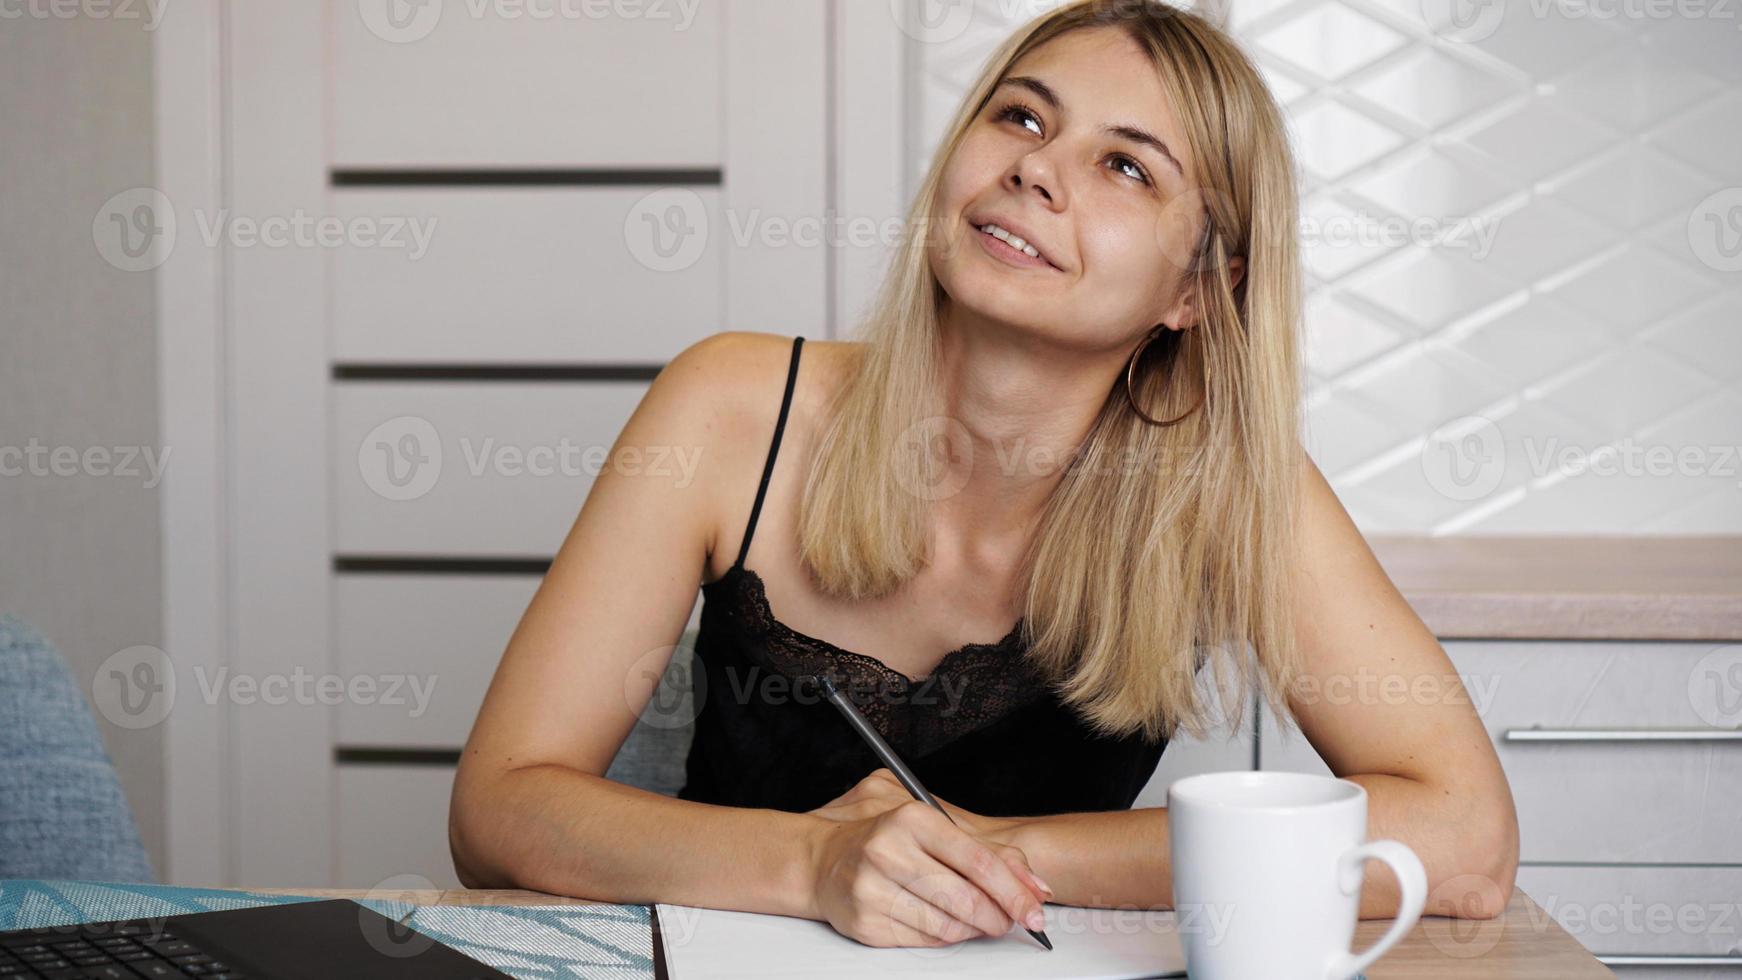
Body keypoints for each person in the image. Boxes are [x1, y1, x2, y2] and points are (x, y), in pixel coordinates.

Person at [450, 0, 1520, 948]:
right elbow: (497, 812)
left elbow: (1465, 844)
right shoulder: (729, 405)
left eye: (1125, 165)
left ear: (1197, 288)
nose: (1035, 167)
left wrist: (992, 847)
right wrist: (812, 865)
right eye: (1020, 116)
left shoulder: (1227, 486)